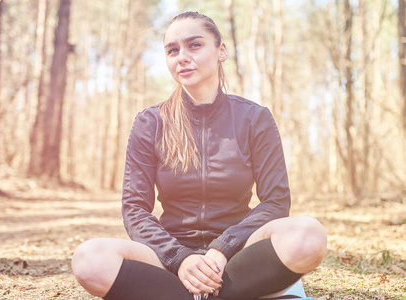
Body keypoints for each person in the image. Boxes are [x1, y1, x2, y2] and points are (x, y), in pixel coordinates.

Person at [71, 11, 327, 300]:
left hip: (237, 254)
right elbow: (135, 208)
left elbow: (276, 201)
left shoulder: (255, 118)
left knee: (308, 235)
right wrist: (180, 258)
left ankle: (193, 293)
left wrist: (222, 249)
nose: (182, 56)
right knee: (89, 259)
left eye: (194, 45)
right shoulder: (151, 122)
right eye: (172, 50)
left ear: (221, 51)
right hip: (169, 258)